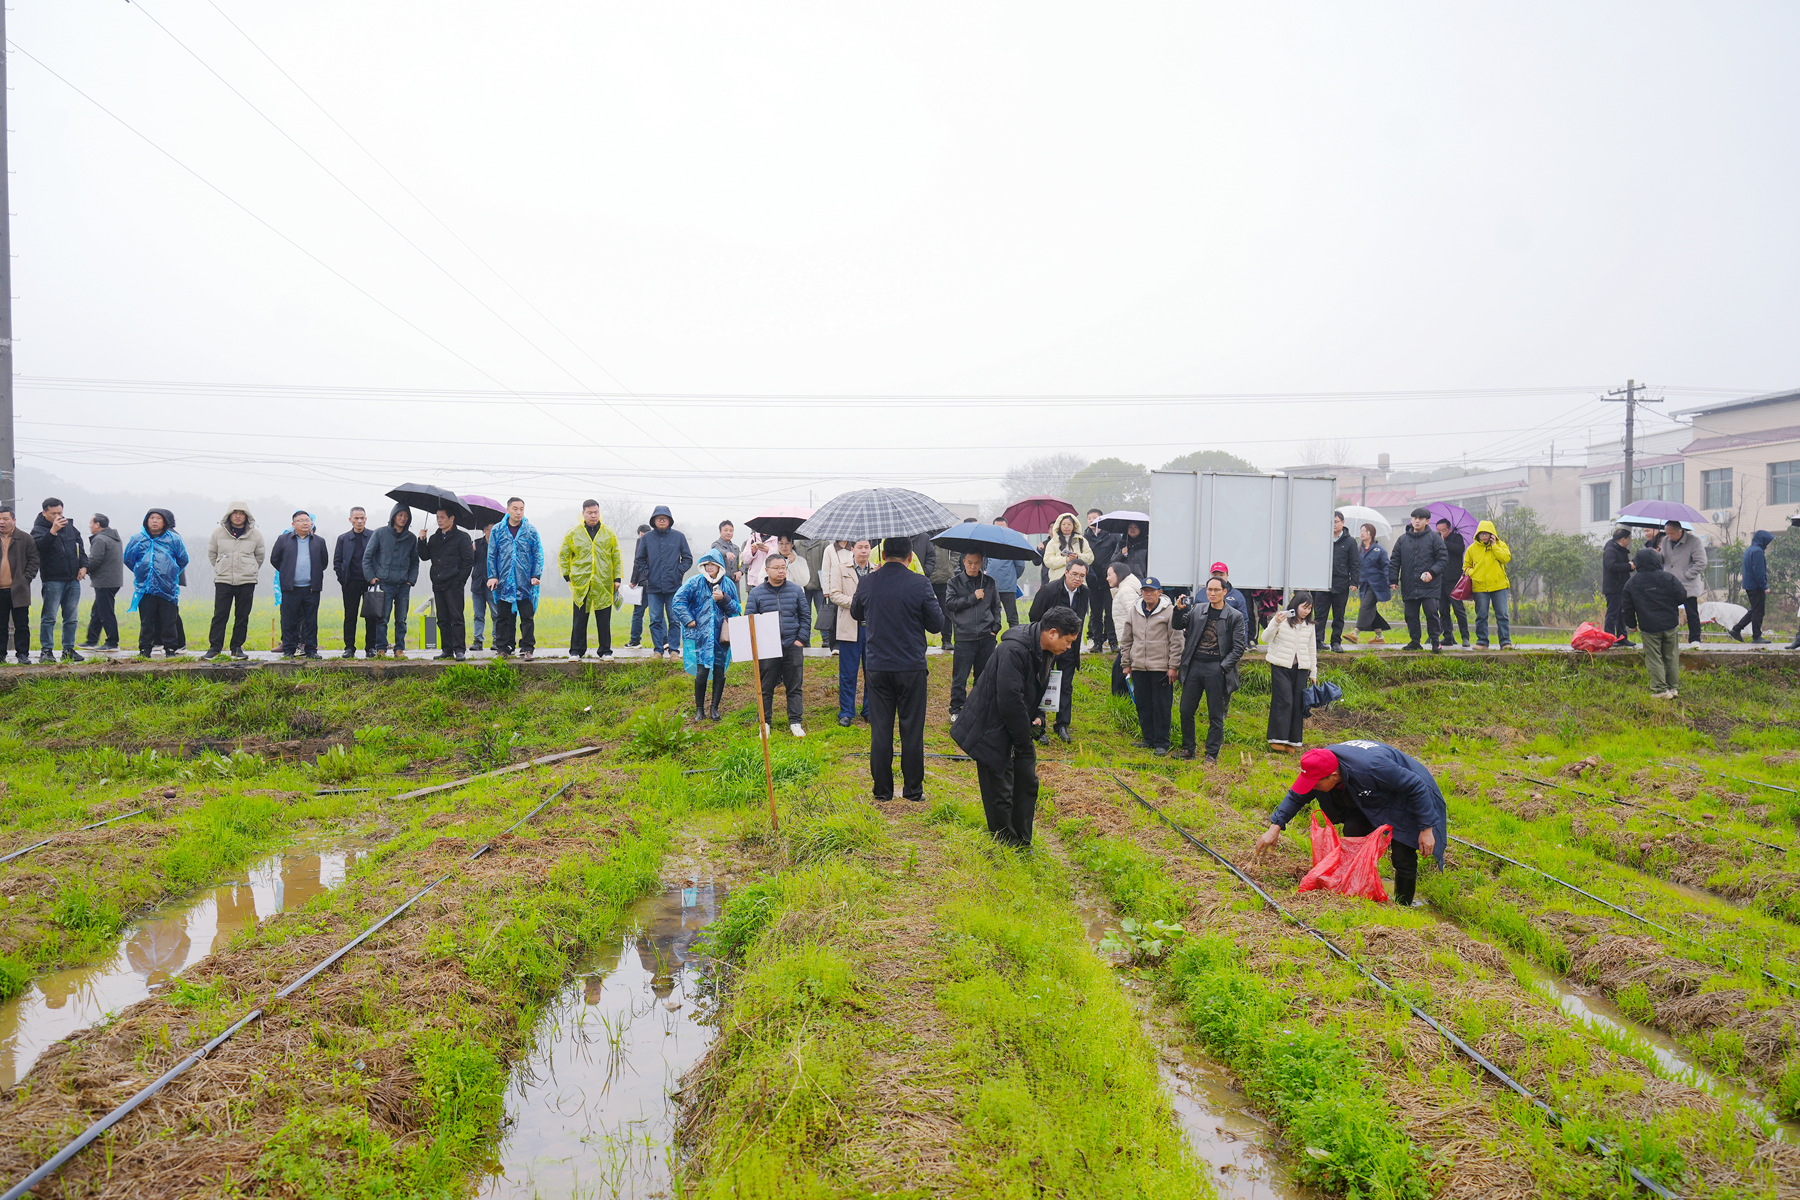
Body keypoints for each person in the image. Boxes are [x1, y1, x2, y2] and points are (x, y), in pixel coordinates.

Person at [951, 607, 1083, 849]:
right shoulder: (1014, 650)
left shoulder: (1046, 650)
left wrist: (1039, 716)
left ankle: (1023, 841)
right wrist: (1022, 741)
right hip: (989, 725)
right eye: (1068, 641)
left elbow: (1037, 688)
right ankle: (1006, 844)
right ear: (1052, 633)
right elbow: (1009, 700)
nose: (1069, 647)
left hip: (1016, 724)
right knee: (1000, 790)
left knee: (1027, 782)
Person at [1253, 742, 1447, 907]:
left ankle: (1403, 906)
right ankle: (1358, 887)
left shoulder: (1372, 768)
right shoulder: (1319, 765)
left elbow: (1416, 786)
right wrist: (1275, 827)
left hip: (1407, 793)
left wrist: (1426, 828)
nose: (1312, 788)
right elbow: (1297, 796)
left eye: (1316, 785)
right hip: (1369, 792)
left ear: (1334, 776)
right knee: (1354, 830)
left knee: (1402, 854)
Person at [850, 536, 945, 803]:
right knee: (912, 730)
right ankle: (913, 791)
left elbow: (856, 612)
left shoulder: (868, 581)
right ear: (910, 557)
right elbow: (937, 624)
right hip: (911, 666)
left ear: (882, 555)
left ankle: (882, 791)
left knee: (881, 730)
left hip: (878, 666)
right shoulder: (920, 583)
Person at [1174, 577, 1247, 763]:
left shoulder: (1235, 616)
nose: (1212, 593)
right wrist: (1178, 610)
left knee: (1216, 714)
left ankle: (1211, 753)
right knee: (1186, 710)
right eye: (1209, 590)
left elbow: (1239, 647)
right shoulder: (1198, 609)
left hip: (1217, 668)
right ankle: (1188, 749)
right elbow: (1178, 625)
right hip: (1194, 666)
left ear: (1225, 591)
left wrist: (1222, 667)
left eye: (1216, 590)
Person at [748, 554, 812, 736]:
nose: (781, 571)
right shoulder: (756, 593)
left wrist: (800, 640)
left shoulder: (796, 590)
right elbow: (749, 620)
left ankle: (795, 722)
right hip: (768, 647)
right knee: (766, 687)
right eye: (776, 568)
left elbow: (805, 616)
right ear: (767, 570)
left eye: (783, 567)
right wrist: (760, 644)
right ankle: (765, 722)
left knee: (794, 686)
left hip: (792, 645)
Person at [1119, 575, 1182, 756]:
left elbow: (1176, 640)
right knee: (1143, 704)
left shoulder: (1169, 611)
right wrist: (1126, 663)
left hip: (1161, 668)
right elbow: (1127, 639)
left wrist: (1173, 666)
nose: (1148, 594)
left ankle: (1162, 742)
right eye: (1145, 591)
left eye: (1152, 591)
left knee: (1162, 705)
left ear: (1159, 592)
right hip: (1139, 667)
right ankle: (1148, 739)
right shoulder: (1135, 610)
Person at [672, 550, 739, 720]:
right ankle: (699, 709)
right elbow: (678, 601)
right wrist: (688, 619)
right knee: (701, 672)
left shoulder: (728, 584)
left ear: (719, 566)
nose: (709, 567)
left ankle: (714, 708)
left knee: (719, 672)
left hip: (721, 636)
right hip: (701, 635)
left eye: (713, 564)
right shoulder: (695, 582)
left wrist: (724, 599)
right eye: (706, 564)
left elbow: (737, 609)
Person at [1027, 559, 1089, 741]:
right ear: (1066, 573)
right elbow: (1034, 615)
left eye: (1082, 576)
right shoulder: (1049, 590)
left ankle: (1062, 725)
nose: (1078, 579)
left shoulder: (1084, 592)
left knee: (1066, 685)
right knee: (1041, 682)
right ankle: (1039, 725)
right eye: (1075, 574)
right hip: (1048, 646)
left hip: (1069, 647)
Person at [1619, 548, 1688, 698]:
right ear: (1657, 561)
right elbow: (1682, 596)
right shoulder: (1669, 578)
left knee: (1654, 657)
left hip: (1649, 626)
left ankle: (1660, 689)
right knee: (1671, 656)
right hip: (1670, 624)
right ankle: (1673, 688)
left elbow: (1627, 607)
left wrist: (1632, 624)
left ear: (1637, 563)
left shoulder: (1632, 583)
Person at [202, 503, 265, 661]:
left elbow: (260, 557)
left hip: (247, 581)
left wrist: (250, 569)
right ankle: (215, 648)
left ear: (247, 516)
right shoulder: (218, 533)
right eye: (235, 513)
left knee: (242, 616)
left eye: (241, 513)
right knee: (220, 614)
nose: (238, 516)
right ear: (229, 515)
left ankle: (236, 648)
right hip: (223, 580)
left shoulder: (255, 534)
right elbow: (212, 554)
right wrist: (221, 567)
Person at [122, 508, 189, 659]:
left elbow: (183, 559)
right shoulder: (137, 539)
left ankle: (170, 648)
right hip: (145, 587)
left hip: (167, 587)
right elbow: (128, 559)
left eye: (158, 518)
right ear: (146, 521)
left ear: (164, 522)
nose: (154, 521)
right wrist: (142, 570)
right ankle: (145, 649)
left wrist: (170, 572)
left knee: (169, 619)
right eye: (151, 518)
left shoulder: (174, 540)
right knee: (147, 620)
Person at [559, 501, 621, 660]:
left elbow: (616, 556)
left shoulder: (608, 533)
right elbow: (564, 554)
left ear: (599, 513)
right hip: (581, 582)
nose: (593, 515)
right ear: (583, 513)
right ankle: (576, 651)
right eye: (590, 512)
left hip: (603, 581)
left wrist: (617, 578)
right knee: (579, 619)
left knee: (604, 619)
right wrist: (567, 574)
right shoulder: (574, 533)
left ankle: (605, 651)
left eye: (596, 512)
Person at [946, 550, 1003, 719]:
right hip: (964, 636)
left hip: (986, 636)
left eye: (977, 563)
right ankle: (956, 709)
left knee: (984, 676)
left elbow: (996, 606)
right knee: (960, 677)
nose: (973, 566)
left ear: (982, 563)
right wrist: (972, 597)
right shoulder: (954, 582)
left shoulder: (989, 582)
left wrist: (995, 628)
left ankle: (980, 708)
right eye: (970, 562)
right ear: (963, 562)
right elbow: (950, 604)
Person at [30, 498, 87, 664]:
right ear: (44, 513)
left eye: (60, 513)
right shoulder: (38, 530)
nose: (58, 516)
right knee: (49, 617)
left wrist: (84, 566)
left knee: (71, 618)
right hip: (53, 580)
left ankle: (68, 649)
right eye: (53, 513)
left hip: (73, 579)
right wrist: (53, 531)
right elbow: (40, 548)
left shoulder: (69, 527)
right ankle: (46, 651)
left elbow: (80, 547)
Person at [822, 538, 872, 725]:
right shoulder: (841, 569)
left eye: (867, 547)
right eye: (860, 547)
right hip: (849, 627)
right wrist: (857, 602)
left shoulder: (877, 570)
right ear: (853, 549)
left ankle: (869, 709)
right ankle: (846, 711)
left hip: (872, 629)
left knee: (872, 672)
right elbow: (834, 594)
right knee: (848, 673)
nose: (864, 551)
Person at [486, 497, 543, 660]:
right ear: (508, 510)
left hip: (525, 581)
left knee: (527, 617)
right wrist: (493, 576)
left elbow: (538, 554)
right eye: (515, 509)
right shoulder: (498, 530)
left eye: (521, 509)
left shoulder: (530, 531)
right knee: (502, 617)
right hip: (504, 581)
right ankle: (503, 648)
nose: (519, 512)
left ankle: (527, 648)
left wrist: (536, 575)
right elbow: (492, 554)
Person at [362, 504, 420, 659]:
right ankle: (381, 649)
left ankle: (399, 649)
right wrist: (371, 577)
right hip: (384, 583)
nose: (403, 518)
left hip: (403, 585)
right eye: (400, 515)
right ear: (393, 516)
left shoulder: (411, 538)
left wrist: (411, 580)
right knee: (382, 618)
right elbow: (367, 557)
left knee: (401, 619)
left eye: (406, 516)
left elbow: (415, 562)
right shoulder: (380, 533)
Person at [634, 506, 693, 658]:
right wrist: (648, 574)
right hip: (653, 587)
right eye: (658, 518)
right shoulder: (646, 538)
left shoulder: (679, 537)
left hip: (674, 587)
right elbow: (640, 559)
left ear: (669, 520)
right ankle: (658, 650)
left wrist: (678, 572)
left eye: (664, 518)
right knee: (655, 620)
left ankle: (674, 650)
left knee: (674, 619)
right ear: (653, 520)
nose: (661, 520)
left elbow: (687, 558)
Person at [268, 511, 328, 659]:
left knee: (311, 621)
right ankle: (288, 650)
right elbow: (275, 559)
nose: (305, 523)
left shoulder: (319, 541)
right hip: (290, 588)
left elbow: (324, 562)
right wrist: (287, 571)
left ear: (312, 523)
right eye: (301, 520)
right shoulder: (283, 540)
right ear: (293, 524)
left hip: (311, 588)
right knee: (289, 620)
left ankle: (311, 650)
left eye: (307, 520)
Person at [419, 508, 476, 660]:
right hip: (438, 583)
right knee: (442, 618)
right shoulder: (434, 538)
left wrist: (460, 580)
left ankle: (459, 649)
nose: (439, 520)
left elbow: (468, 560)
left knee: (456, 617)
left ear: (452, 518)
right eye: (438, 517)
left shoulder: (462, 537)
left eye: (442, 517)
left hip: (454, 583)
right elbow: (424, 556)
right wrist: (421, 541)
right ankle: (447, 649)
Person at [1264, 592, 1318, 752]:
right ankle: (1277, 738)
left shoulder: (1310, 626)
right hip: (1281, 666)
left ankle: (1292, 740)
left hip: (1301, 668)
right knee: (1284, 700)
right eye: (1304, 607)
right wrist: (1275, 622)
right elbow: (1265, 638)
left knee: (1297, 703)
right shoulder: (1281, 621)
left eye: (1309, 608)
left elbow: (1312, 649)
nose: (1306, 611)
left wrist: (1313, 672)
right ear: (1295, 605)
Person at [1390, 507, 1448, 652]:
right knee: (1410, 615)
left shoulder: (1434, 538)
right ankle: (1415, 641)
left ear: (1427, 521)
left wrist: (1432, 573)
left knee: (1431, 612)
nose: (1417, 521)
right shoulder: (1403, 539)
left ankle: (1435, 641)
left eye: (1420, 518)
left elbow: (1443, 559)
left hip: (1430, 585)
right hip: (1409, 583)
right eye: (1414, 518)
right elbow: (1395, 560)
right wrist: (1393, 579)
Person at [1461, 520, 1513, 649]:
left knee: (1502, 614)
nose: (1484, 536)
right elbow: (1466, 566)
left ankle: (1505, 642)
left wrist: (1494, 546)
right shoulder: (1472, 549)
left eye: (1487, 533)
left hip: (1499, 586)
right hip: (1480, 587)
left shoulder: (1501, 545)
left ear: (1492, 534)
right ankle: (1482, 642)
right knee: (1481, 615)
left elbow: (1505, 558)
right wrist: (1474, 573)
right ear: (1478, 534)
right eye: (1481, 533)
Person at [1657, 520, 1707, 648]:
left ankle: (1695, 639)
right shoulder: (1665, 541)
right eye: (1667, 533)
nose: (1669, 536)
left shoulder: (1694, 541)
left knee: (1692, 613)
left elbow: (1701, 562)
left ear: (1680, 531)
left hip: (1687, 584)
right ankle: (1669, 639)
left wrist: (1687, 575)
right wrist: (1656, 556)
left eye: (1672, 533)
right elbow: (1664, 559)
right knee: (1669, 613)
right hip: (1670, 583)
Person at [331, 508, 373, 659]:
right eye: (356, 518)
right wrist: (342, 579)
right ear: (350, 520)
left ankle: (371, 647)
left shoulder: (373, 536)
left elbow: (379, 557)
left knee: (372, 616)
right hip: (350, 583)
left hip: (369, 582)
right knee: (350, 616)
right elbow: (337, 561)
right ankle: (349, 648)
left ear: (366, 519)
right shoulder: (343, 539)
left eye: (362, 518)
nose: (359, 521)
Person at [0, 508, 39, 663]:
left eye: (5, 519)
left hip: (18, 589)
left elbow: (34, 561)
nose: (1, 522)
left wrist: (25, 579)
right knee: (0, 625)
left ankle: (22, 654)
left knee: (21, 624)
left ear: (13, 520)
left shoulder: (25, 538)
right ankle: (1, 655)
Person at [81, 514, 123, 652]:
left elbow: (94, 560)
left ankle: (112, 642)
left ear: (97, 524)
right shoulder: (114, 537)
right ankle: (91, 640)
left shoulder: (100, 539)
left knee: (105, 613)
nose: (89, 526)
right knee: (98, 612)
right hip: (114, 580)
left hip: (104, 581)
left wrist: (84, 569)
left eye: (91, 523)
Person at [1317, 511, 1356, 653]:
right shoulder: (1322, 538)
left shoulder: (1350, 541)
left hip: (1341, 583)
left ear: (1343, 523)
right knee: (1320, 614)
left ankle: (1336, 642)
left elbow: (1354, 563)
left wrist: (1354, 581)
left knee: (1338, 614)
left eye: (1336, 522)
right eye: (1331, 522)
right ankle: (1318, 641)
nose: (1334, 525)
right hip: (1322, 583)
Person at [1084, 509, 1119, 652]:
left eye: (1095, 517)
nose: (1092, 520)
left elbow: (1117, 555)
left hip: (1109, 581)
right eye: (1089, 518)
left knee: (1110, 612)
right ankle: (1097, 642)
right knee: (1095, 613)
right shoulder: (1084, 538)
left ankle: (1113, 642)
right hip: (1092, 580)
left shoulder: (1112, 536)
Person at [1731, 530, 1774, 643]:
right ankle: (1756, 636)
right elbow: (1759, 571)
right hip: (1756, 586)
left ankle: (1736, 629)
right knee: (1758, 612)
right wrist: (1764, 586)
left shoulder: (1750, 549)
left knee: (1755, 610)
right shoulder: (1758, 551)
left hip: (1749, 585)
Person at [1107, 561, 1141, 697]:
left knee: (1120, 674)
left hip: (1130, 641)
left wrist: (1131, 640)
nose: (1107, 578)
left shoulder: (1126, 591)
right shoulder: (1122, 590)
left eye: (1110, 574)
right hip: (1127, 641)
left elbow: (1136, 617)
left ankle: (1122, 701)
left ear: (1119, 574)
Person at [1599, 526, 1636, 649]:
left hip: (1622, 586)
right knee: (1613, 614)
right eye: (1629, 539)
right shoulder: (1611, 550)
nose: (1629, 542)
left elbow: (1622, 566)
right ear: (1623, 539)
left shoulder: (1621, 550)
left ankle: (1622, 637)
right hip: (1613, 587)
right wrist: (1628, 566)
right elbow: (1612, 566)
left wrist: (1630, 566)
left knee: (1621, 614)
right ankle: (1608, 638)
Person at [1355, 524, 1392, 643]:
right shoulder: (1358, 550)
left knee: (1365, 607)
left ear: (1371, 533)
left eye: (1365, 531)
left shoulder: (1379, 550)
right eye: (1361, 531)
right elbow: (1355, 567)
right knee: (1370, 609)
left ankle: (1355, 633)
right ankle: (1379, 637)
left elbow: (1386, 567)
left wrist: (1390, 581)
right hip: (1364, 584)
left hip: (1377, 585)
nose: (1362, 533)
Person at [985, 519, 1023, 630]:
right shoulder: (988, 544)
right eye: (997, 527)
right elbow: (985, 563)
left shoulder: (1013, 544)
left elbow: (1020, 566)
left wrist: (1011, 577)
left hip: (1008, 587)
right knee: (991, 616)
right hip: (991, 586)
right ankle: (990, 638)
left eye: (1003, 527)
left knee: (1012, 617)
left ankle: (1015, 638)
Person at [799, 536, 834, 652]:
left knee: (823, 612)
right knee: (804, 613)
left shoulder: (824, 543)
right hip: (804, 586)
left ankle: (826, 638)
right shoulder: (798, 544)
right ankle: (805, 639)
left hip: (820, 585)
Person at [1042, 512, 1094, 588]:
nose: (1066, 526)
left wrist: (1078, 557)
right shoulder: (1053, 542)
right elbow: (1047, 560)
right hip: (1057, 582)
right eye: (1063, 524)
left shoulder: (1081, 541)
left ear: (1074, 526)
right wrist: (1065, 560)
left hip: (1078, 582)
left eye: (1069, 524)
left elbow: (1090, 557)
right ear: (1059, 526)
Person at [928, 530, 958, 653]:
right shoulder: (924, 535)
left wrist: (951, 565)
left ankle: (946, 640)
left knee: (947, 611)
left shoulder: (947, 534)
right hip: (927, 577)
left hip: (945, 577)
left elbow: (956, 550)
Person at [469, 520, 494, 651]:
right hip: (478, 583)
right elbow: (469, 562)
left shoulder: (498, 545)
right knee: (478, 614)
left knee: (496, 613)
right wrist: (471, 552)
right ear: (485, 531)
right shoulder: (476, 544)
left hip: (493, 584)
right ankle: (478, 640)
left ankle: (497, 640)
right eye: (491, 530)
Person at [627, 523, 652, 648]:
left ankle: (635, 640)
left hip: (644, 581)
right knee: (656, 612)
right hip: (656, 581)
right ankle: (664, 640)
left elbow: (638, 561)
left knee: (638, 613)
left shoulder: (641, 540)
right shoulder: (657, 541)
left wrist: (633, 580)